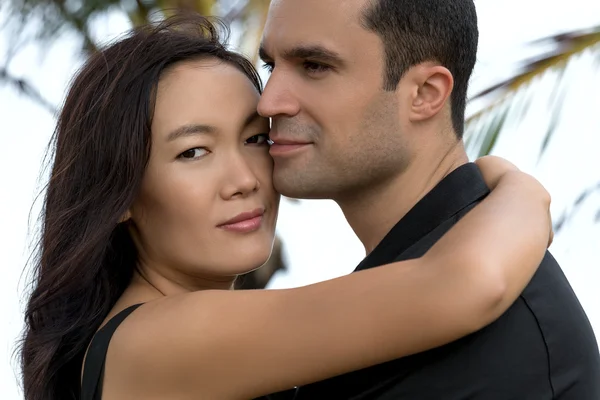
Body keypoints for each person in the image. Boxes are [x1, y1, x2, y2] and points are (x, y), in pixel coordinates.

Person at [18, 15, 553, 400]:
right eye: (193, 152)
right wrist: (521, 190)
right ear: (121, 197)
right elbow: (466, 286)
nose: (244, 181)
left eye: (254, 140)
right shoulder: (155, 341)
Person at [257, 0, 600, 398]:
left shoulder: (495, 334)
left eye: (314, 66)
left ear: (425, 93)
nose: (269, 102)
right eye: (270, 66)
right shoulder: (442, 286)